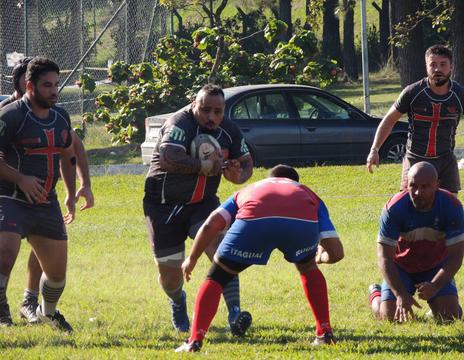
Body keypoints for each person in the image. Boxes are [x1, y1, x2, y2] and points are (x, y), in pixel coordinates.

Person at [175, 164, 344, 352]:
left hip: (254, 222)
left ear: (268, 178)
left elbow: (211, 224)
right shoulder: (306, 192)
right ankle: (325, 333)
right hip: (299, 224)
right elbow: (337, 253)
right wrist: (318, 258)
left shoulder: (250, 189)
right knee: (308, 268)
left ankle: (195, 341)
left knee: (217, 277)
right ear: (295, 182)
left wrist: (192, 258)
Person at [0, 57, 94, 327]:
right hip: (10, 199)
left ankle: (46, 312)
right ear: (29, 86)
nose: (54, 91)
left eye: (56, 84)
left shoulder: (60, 116)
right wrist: (19, 178)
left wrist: (71, 194)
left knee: (57, 277)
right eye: (47, 85)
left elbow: (68, 154)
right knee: (2, 261)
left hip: (46, 203)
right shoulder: (9, 114)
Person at [144, 84, 254, 335]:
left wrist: (238, 174)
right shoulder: (179, 123)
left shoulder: (229, 130)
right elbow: (168, 157)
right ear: (194, 105)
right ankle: (177, 300)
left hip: (202, 204)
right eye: (205, 110)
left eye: (217, 111)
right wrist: (204, 166)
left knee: (222, 252)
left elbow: (247, 163)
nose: (211, 117)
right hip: (163, 205)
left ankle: (235, 314)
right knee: (171, 277)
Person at [369, 162, 464, 323]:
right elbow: (384, 257)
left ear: (437, 185)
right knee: (390, 317)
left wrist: (435, 285)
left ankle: (440, 303)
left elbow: (456, 256)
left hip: (434, 266)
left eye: (425, 186)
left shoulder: (452, 206)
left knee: (450, 317)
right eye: (413, 186)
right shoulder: (394, 208)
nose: (418, 192)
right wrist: (399, 294)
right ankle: (376, 293)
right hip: (401, 267)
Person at [366, 44, 464, 194]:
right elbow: (388, 121)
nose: (438, 69)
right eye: (433, 64)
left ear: (451, 66)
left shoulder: (459, 94)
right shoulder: (413, 92)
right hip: (415, 159)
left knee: (450, 210)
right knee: (410, 206)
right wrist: (374, 149)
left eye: (443, 64)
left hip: (446, 161)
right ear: (426, 67)